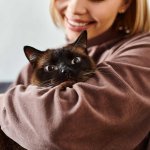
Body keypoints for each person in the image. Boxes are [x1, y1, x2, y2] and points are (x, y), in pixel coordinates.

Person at [0, 0, 150, 149]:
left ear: (125, 3)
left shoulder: (144, 50)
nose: (74, 9)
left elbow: (62, 125)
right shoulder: (33, 68)